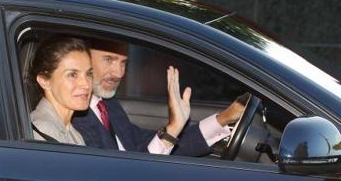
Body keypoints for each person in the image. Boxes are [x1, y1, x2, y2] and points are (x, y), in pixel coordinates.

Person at [72, 40, 246, 156]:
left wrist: (225, 117)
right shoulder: (74, 117)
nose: (119, 73)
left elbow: (143, 144)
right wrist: (173, 127)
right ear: (81, 60)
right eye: (109, 60)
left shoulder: (106, 104)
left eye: (123, 63)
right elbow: (127, 179)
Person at [30, 35, 93, 144]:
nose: (86, 85)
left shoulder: (74, 134)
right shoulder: (42, 132)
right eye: (72, 75)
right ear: (44, 80)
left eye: (89, 74)